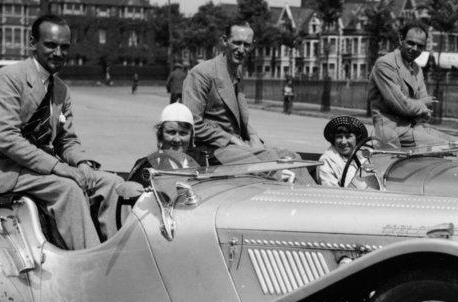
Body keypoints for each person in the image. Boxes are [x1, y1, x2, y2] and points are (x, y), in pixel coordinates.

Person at [0, 14, 143, 250]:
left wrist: (82, 163)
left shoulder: (60, 89)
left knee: (111, 183)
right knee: (69, 189)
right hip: (2, 168)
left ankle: (114, 256)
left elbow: (67, 139)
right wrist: (59, 167)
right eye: (51, 45)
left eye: (64, 47)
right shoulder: (8, 78)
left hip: (37, 169)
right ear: (33, 44)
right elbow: (5, 138)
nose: (58, 53)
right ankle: (88, 266)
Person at [183, 22, 312, 182]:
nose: (241, 49)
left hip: (236, 146)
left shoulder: (236, 74)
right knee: (270, 161)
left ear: (253, 46)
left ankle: (324, 197)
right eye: (237, 43)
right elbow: (191, 124)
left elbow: (239, 118)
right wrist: (232, 139)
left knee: (291, 157)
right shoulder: (202, 73)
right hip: (211, 148)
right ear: (224, 41)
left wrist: (253, 137)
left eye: (246, 45)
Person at [367, 22, 458, 154]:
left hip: (416, 127)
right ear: (401, 39)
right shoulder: (385, 64)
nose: (415, 49)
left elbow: (426, 108)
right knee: (452, 148)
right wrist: (421, 105)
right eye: (411, 43)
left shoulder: (416, 68)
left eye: (420, 46)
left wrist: (420, 107)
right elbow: (402, 105)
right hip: (393, 130)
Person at [127, 102, 202, 183]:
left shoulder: (202, 163)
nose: (177, 139)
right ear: (160, 134)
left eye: (183, 133)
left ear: (191, 135)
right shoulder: (146, 167)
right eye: (171, 132)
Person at [318, 115, 372, 188]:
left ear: (357, 138)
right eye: (339, 137)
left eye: (348, 137)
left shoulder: (364, 156)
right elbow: (331, 192)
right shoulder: (326, 161)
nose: (343, 142)